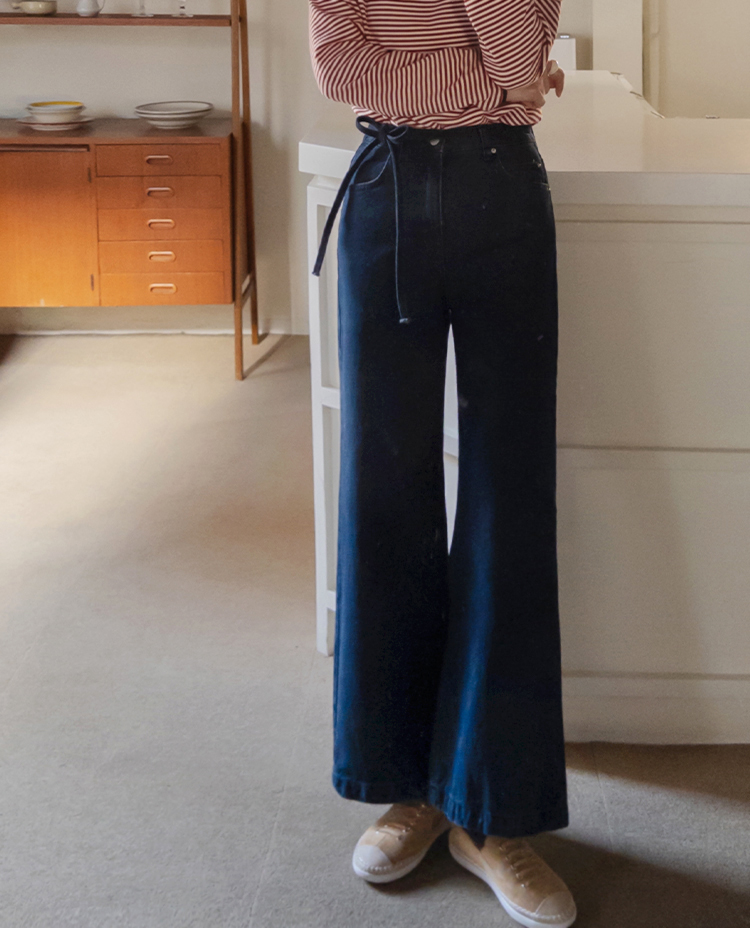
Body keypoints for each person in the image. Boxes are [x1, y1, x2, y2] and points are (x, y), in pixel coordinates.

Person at [308, 2, 575, 926]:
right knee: (385, 490)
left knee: (510, 496)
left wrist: (494, 72)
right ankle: (408, 787)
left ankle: (491, 811)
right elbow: (345, 70)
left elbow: (517, 54)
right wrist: (494, 82)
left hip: (504, 190)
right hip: (385, 189)